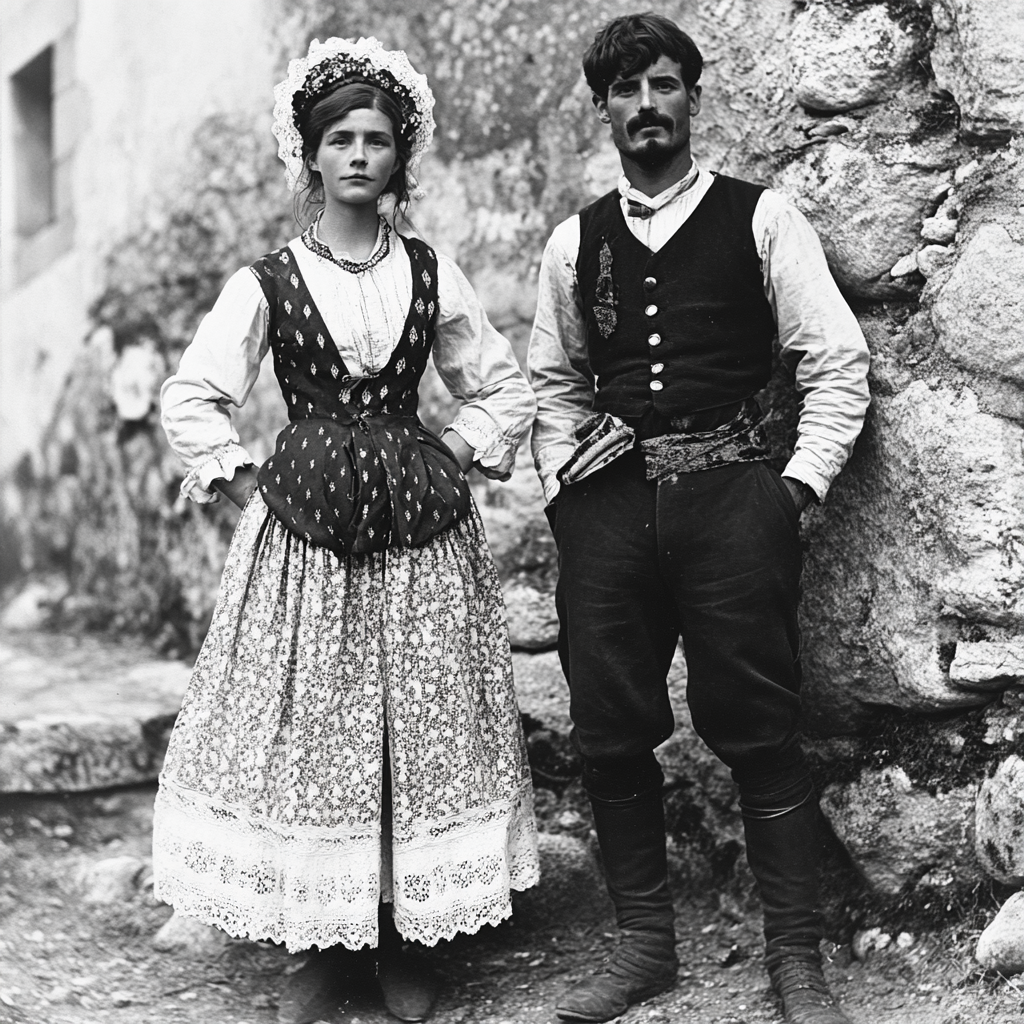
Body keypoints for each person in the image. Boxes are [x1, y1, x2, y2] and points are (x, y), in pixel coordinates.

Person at [154, 36, 540, 1024]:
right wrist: (247, 485)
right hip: (306, 543)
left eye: (376, 139)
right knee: (315, 726)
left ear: (397, 158)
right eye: (340, 140)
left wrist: (452, 452)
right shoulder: (269, 280)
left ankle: (408, 936)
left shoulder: (426, 270)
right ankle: (318, 949)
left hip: (418, 535)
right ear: (311, 157)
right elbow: (196, 396)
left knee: (417, 720)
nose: (360, 156)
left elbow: (497, 382)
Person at [528, 13, 870, 1024]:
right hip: (611, 515)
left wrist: (793, 486)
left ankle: (796, 962)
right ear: (603, 110)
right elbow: (553, 380)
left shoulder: (761, 219)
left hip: (734, 497)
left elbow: (835, 362)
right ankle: (642, 947)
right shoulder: (571, 241)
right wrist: (568, 492)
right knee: (607, 731)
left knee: (758, 726)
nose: (646, 107)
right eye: (626, 92)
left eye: (664, 86)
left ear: (691, 98)